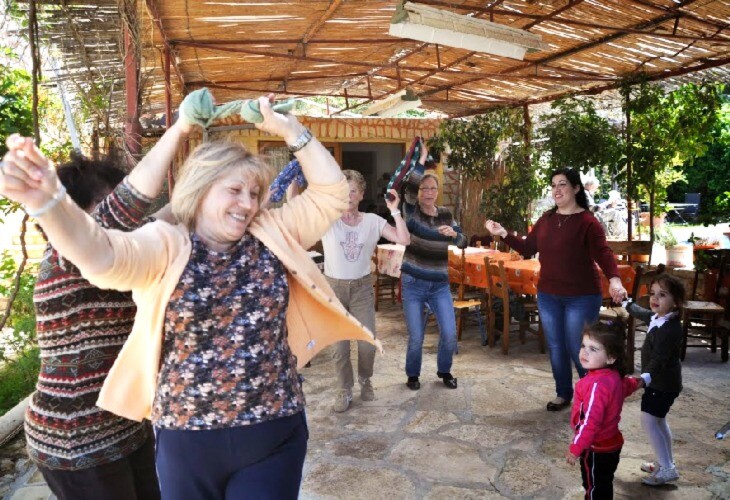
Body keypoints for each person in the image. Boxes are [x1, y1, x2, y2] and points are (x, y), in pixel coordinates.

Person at [0, 94, 379, 499]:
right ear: (201, 188)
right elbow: (103, 253)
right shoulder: (165, 243)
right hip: (183, 440)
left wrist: (290, 130)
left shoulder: (271, 231)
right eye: (235, 190)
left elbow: (332, 193)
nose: (247, 203)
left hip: (274, 429)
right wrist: (49, 202)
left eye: (254, 193)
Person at [21, 115, 191, 499]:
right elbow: (127, 210)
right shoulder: (66, 255)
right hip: (75, 437)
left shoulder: (121, 251)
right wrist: (179, 130)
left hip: (125, 425)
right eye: (105, 204)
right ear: (76, 216)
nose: (126, 224)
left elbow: (162, 216)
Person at [485, 167, 627, 411]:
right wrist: (504, 233)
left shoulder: (588, 223)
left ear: (575, 188)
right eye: (553, 185)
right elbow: (528, 248)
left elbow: (603, 253)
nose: (557, 189)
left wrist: (614, 278)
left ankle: (592, 396)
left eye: (562, 184)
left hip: (581, 296)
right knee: (556, 345)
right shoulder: (547, 220)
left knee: (578, 346)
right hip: (549, 294)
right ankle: (563, 393)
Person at [286, 169, 410, 412]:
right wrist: (292, 182)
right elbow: (295, 213)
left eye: (353, 191)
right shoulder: (328, 220)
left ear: (361, 195)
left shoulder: (374, 222)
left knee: (367, 344)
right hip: (333, 289)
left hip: (362, 288)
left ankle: (365, 379)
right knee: (339, 348)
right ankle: (344, 389)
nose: (348, 196)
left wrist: (395, 209)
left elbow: (403, 239)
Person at [399, 141, 467, 391]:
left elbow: (463, 240)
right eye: (424, 188)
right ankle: (413, 374)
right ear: (419, 192)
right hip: (414, 284)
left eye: (432, 188)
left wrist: (454, 235)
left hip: (439, 284)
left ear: (437, 191)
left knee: (449, 333)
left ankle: (444, 370)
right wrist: (421, 160)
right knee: (416, 337)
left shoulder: (446, 214)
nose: (428, 192)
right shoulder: (412, 212)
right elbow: (408, 189)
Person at [565, 321, 641, 499]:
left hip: (595, 448)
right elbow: (628, 385)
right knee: (604, 482)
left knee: (593, 487)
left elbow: (590, 422)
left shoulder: (595, 385)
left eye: (593, 349)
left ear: (611, 358)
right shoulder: (614, 376)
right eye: (584, 345)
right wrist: (642, 382)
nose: (584, 352)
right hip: (612, 444)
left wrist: (577, 447)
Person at [624, 273, 684, 486]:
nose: (655, 298)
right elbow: (641, 312)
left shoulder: (671, 328)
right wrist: (624, 302)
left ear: (676, 302)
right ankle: (665, 463)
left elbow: (659, 359)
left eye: (662, 295)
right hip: (663, 383)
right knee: (658, 420)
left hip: (663, 383)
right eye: (652, 294)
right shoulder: (658, 317)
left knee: (649, 420)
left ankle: (667, 468)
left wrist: (643, 378)